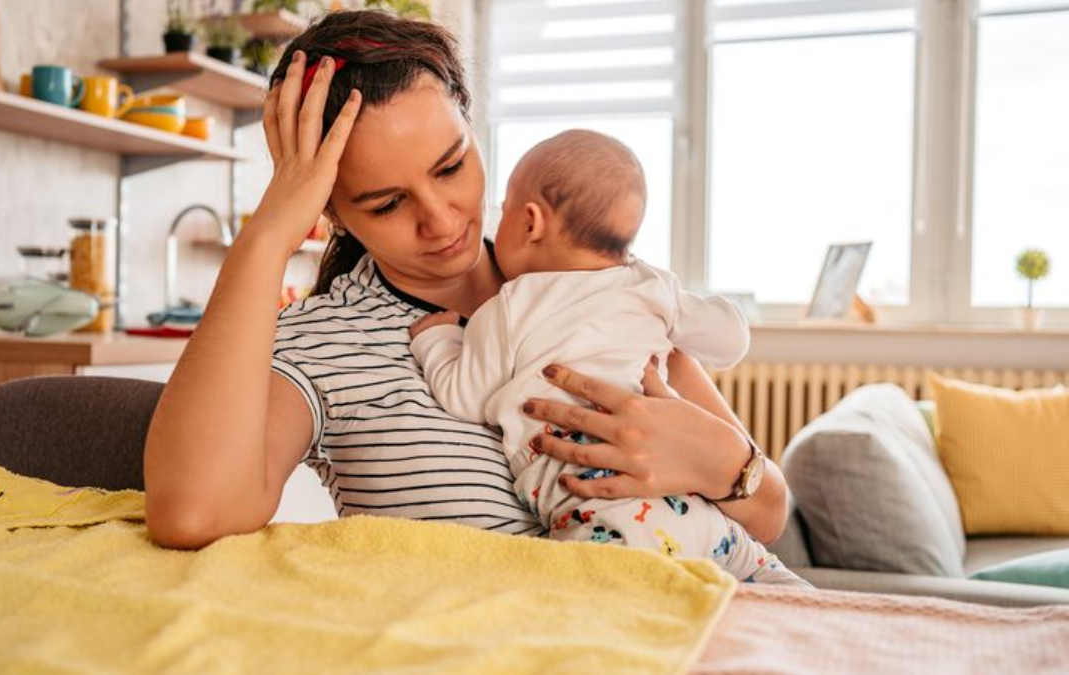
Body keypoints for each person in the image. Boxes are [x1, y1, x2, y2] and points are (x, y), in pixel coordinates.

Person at [141, 10, 791, 553]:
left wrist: (723, 462)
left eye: (451, 166)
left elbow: (769, 512)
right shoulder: (327, 341)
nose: (441, 219)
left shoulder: (585, 277)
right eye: (387, 203)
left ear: (473, 127)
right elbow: (193, 511)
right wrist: (268, 234)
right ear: (330, 210)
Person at [407, 130, 807, 585]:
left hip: (613, 516)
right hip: (703, 517)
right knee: (800, 603)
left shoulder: (509, 307)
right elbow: (731, 341)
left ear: (531, 222)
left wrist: (437, 340)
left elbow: (463, 394)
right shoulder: (650, 285)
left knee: (589, 605)